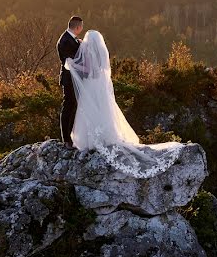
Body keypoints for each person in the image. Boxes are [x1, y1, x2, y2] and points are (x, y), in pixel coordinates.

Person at [64, 28, 184, 177]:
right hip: (99, 84)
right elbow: (99, 69)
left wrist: (72, 65)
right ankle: (107, 135)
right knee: (104, 108)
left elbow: (88, 70)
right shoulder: (102, 53)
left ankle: (91, 140)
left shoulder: (88, 52)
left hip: (91, 84)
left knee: (89, 109)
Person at [57, 16, 83, 147]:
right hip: (69, 79)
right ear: (78, 27)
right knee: (68, 106)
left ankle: (71, 136)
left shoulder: (71, 39)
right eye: (81, 27)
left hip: (74, 79)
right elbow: (70, 63)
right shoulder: (65, 40)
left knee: (73, 106)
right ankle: (66, 138)